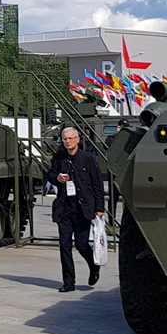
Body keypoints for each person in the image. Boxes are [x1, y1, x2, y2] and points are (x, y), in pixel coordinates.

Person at [46, 125, 105, 293]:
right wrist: (57, 178)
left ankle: (94, 266)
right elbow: (50, 175)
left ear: (78, 140)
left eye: (71, 138)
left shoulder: (87, 159)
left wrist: (99, 208)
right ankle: (68, 282)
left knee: (81, 245)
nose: (68, 141)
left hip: (82, 208)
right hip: (64, 208)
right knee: (64, 246)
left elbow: (97, 185)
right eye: (65, 139)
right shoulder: (59, 158)